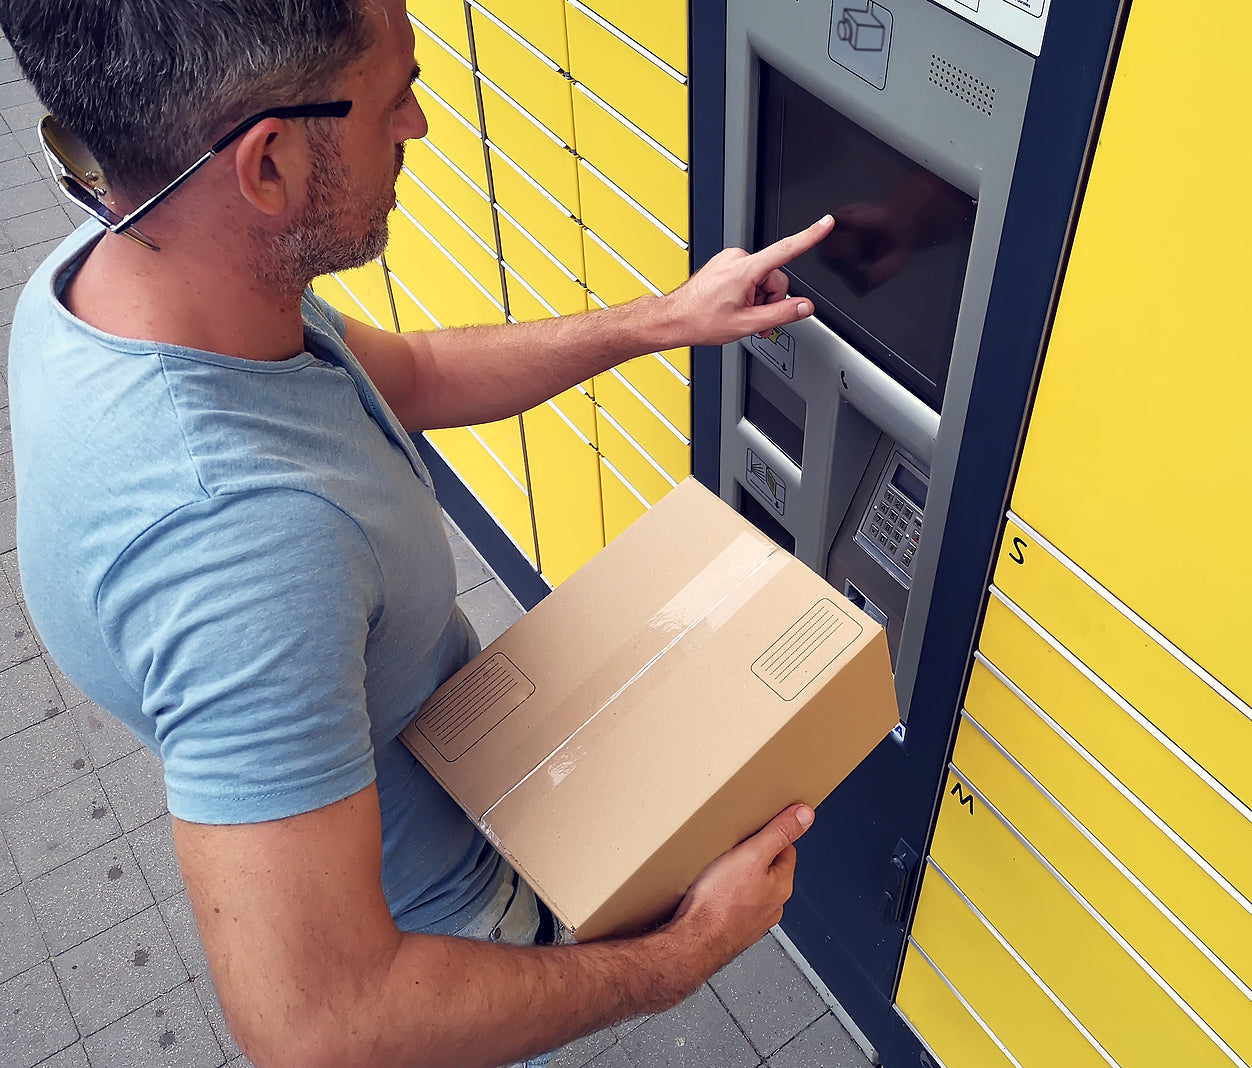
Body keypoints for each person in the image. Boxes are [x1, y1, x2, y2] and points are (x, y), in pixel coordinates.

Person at [0, 1, 837, 1065]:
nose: (420, 129)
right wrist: (681, 957)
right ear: (267, 169)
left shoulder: (123, 272)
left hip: (448, 775)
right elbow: (322, 1026)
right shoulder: (245, 545)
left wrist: (663, 319)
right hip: (450, 929)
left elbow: (418, 376)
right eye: (394, 101)